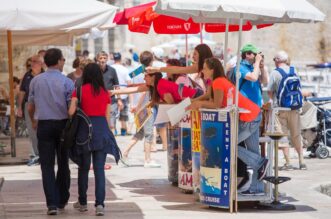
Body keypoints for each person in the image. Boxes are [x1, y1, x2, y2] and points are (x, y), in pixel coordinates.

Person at [188, 57, 269, 196]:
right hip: (253, 113)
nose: (203, 70)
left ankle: (260, 163)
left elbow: (217, 104)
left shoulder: (218, 82)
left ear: (212, 70)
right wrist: (194, 101)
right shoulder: (218, 81)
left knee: (229, 146)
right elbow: (209, 97)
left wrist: (199, 104)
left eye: (205, 68)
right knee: (252, 151)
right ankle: (257, 189)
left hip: (249, 117)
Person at [68, 63, 121, 216]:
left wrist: (75, 104)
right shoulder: (105, 93)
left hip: (84, 131)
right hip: (101, 131)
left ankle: (83, 202)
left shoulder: (78, 91)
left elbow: (71, 112)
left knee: (83, 168)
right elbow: (107, 116)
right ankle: (100, 205)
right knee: (99, 170)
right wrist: (110, 134)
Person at [28, 48, 73, 215]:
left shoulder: (36, 81)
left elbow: (30, 105)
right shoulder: (67, 82)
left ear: (46, 62)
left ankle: (51, 204)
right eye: (62, 60)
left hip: (44, 125)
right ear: (59, 61)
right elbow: (71, 108)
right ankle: (62, 199)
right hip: (62, 126)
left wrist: (33, 120)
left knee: (46, 165)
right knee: (63, 163)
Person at [114, 51, 160, 168]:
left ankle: (124, 152)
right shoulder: (149, 71)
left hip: (136, 105)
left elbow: (129, 82)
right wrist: (138, 106)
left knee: (140, 133)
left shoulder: (137, 70)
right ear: (151, 59)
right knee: (149, 134)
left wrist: (133, 104)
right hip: (146, 106)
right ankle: (147, 160)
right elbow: (145, 91)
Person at [267, 51, 307, 170]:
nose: (274, 62)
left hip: (280, 109)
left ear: (278, 60)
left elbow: (269, 91)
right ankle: (301, 161)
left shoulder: (275, 73)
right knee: (296, 134)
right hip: (294, 107)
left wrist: (274, 98)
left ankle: (288, 162)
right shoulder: (294, 71)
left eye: (274, 59)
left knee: (282, 135)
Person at [147, 43, 213, 94]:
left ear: (202, 54)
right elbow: (178, 69)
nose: (192, 56)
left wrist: (156, 69)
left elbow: (178, 69)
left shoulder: (206, 66)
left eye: (195, 54)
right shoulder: (202, 66)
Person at [18, 55, 44, 166]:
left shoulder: (45, 75)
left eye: (35, 61)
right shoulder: (27, 75)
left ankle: (45, 154)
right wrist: (19, 107)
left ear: (41, 63)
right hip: (29, 105)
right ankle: (38, 155)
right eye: (31, 61)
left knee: (43, 130)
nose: (32, 63)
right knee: (32, 131)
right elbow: (22, 92)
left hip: (43, 106)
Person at [96, 51, 122, 134]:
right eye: (100, 58)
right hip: (98, 100)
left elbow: (117, 86)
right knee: (100, 123)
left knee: (111, 124)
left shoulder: (112, 70)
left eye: (104, 58)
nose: (102, 60)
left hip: (111, 101)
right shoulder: (94, 71)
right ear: (97, 59)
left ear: (107, 59)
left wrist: (119, 99)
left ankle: (110, 141)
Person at [111, 52, 132, 136]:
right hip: (123, 93)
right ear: (120, 59)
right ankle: (123, 129)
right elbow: (129, 82)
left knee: (113, 113)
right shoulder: (125, 69)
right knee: (123, 112)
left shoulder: (110, 68)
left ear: (113, 59)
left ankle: (114, 129)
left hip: (113, 93)